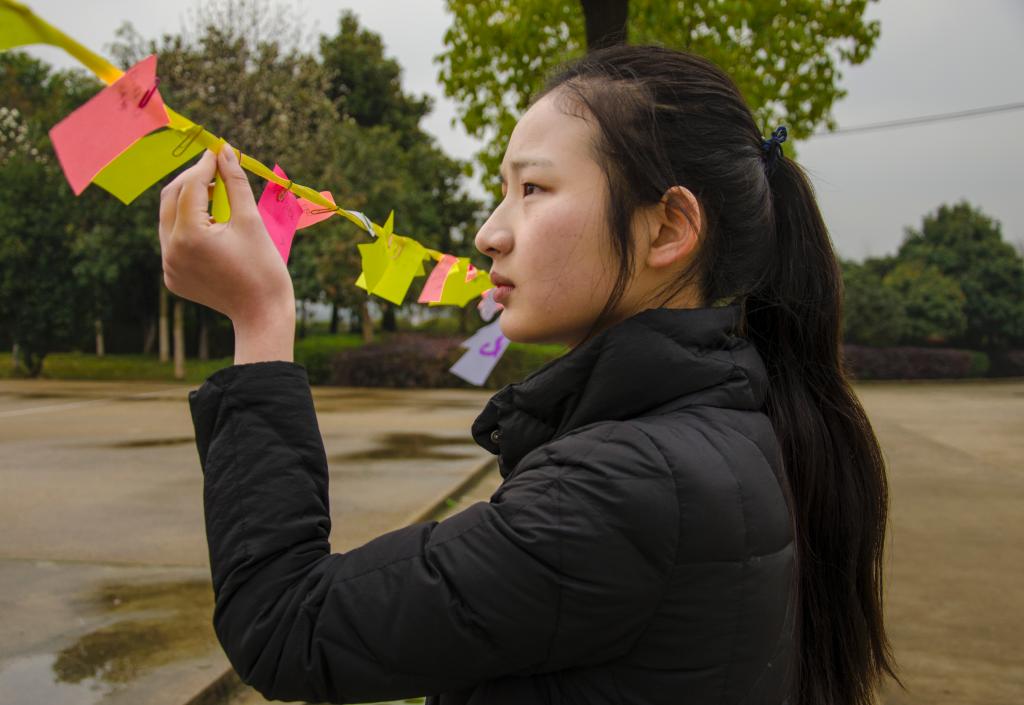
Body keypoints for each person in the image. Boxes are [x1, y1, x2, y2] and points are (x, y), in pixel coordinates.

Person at [160, 44, 900, 705]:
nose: (490, 232)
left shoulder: (626, 488)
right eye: (503, 190)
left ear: (668, 228)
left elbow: (286, 625)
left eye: (533, 189)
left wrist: (261, 320)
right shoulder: (712, 432)